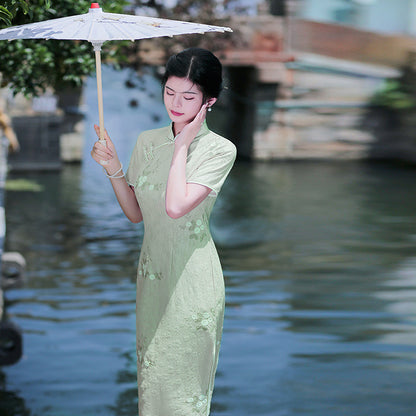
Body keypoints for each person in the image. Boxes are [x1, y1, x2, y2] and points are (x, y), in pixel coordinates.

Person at [91, 47, 236, 415]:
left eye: (189, 97)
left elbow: (174, 208)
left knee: (184, 394)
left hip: (193, 283)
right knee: (152, 386)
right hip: (152, 278)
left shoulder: (220, 150)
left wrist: (181, 147)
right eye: (170, 92)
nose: (176, 103)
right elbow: (137, 214)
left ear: (209, 101)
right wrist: (113, 167)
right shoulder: (147, 141)